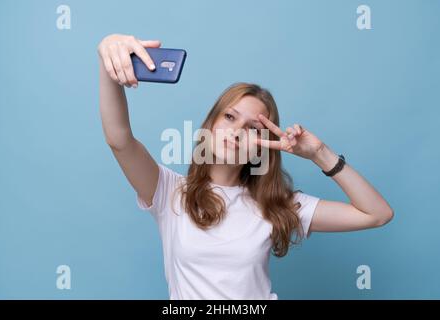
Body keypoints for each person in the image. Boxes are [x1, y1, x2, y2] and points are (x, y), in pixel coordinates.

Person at [97, 34, 394, 300]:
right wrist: (108, 60)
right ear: (210, 125)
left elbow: (377, 214)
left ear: (263, 145)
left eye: (252, 127)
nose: (237, 131)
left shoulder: (278, 205)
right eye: (229, 117)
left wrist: (320, 153)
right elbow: (119, 140)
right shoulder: (169, 191)